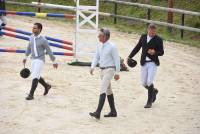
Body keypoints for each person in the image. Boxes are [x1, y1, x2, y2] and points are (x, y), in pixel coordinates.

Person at [127, 23, 164, 108]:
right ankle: (154, 91)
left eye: (154, 33)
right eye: (151, 32)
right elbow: (137, 47)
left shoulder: (159, 39)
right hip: (144, 62)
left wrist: (155, 52)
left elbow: (161, 52)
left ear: (155, 31)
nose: (152, 34)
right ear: (148, 30)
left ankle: (149, 102)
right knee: (144, 83)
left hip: (152, 63)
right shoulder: (143, 37)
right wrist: (130, 56)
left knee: (149, 82)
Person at [89, 28, 120, 119]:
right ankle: (113, 111)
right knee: (108, 90)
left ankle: (98, 112)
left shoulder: (112, 47)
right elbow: (96, 57)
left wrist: (117, 72)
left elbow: (117, 60)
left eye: (100, 35)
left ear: (105, 36)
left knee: (103, 89)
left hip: (110, 70)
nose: (98, 36)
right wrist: (92, 67)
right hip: (102, 70)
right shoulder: (99, 46)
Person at [23, 23, 58, 100]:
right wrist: (25, 57)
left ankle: (31, 94)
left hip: (40, 60)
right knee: (37, 75)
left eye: (35, 28)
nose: (33, 29)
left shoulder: (43, 40)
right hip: (33, 59)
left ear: (39, 29)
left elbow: (49, 51)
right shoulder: (31, 37)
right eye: (33, 28)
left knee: (35, 76)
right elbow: (29, 47)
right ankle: (46, 86)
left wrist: (54, 61)